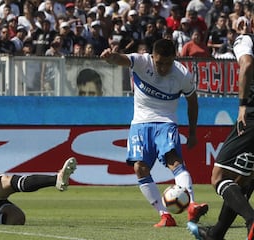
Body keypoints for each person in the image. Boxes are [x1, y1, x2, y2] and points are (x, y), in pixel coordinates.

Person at [100, 39, 208, 227]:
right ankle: (165, 216)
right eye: (159, 63)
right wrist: (110, 57)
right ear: (152, 57)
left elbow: (193, 102)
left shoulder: (182, 74)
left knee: (174, 162)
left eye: (167, 63)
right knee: (140, 168)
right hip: (140, 124)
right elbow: (121, 59)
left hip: (166, 122)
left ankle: (191, 205)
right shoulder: (142, 61)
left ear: (174, 58)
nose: (163, 68)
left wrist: (192, 132)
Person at [187, 15, 254, 240]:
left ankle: (252, 220)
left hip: (252, 115)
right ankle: (217, 233)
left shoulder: (245, 40)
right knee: (244, 179)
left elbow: (246, 65)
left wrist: (243, 105)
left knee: (218, 176)